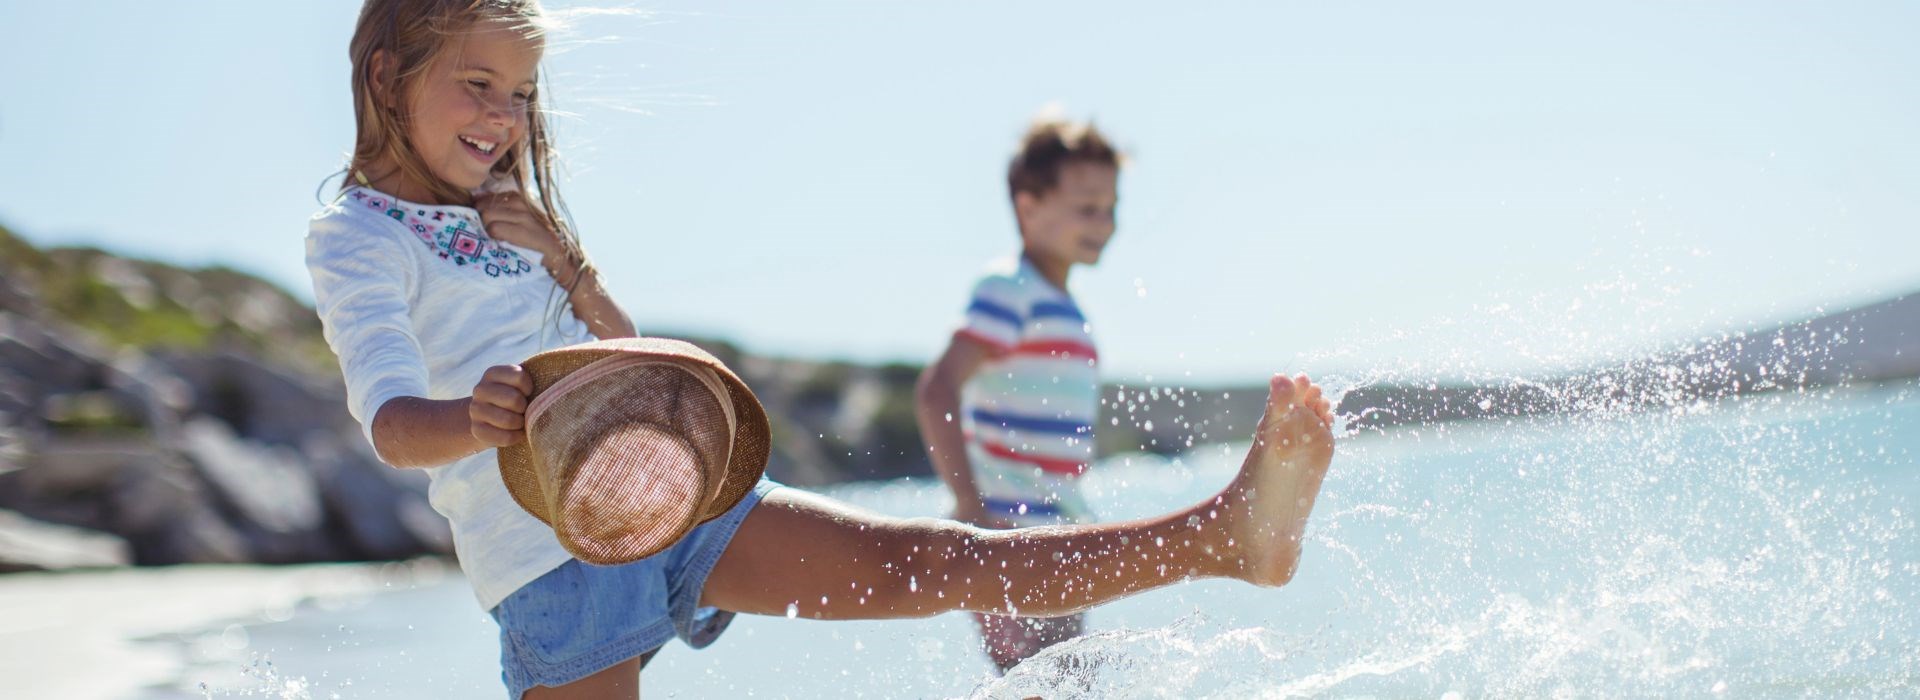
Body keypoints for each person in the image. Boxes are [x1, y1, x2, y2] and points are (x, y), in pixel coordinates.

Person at [306, 2, 1337, 698]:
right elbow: (392, 423)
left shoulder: (506, 216)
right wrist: (469, 420)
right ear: (389, 73)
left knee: (932, 560)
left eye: (522, 94)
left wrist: (564, 257)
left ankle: (1221, 536)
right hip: (549, 561)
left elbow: (616, 348)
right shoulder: (358, 237)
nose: (504, 117)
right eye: (479, 84)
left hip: (669, 498)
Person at [913, 116, 1120, 670]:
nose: (1103, 223)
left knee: (1066, 681)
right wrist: (971, 508)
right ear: (1029, 207)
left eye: (1109, 208)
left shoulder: (1062, 304)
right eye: (1086, 208)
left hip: (1059, 527)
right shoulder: (1010, 290)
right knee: (1040, 680)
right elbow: (937, 390)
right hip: (1010, 532)